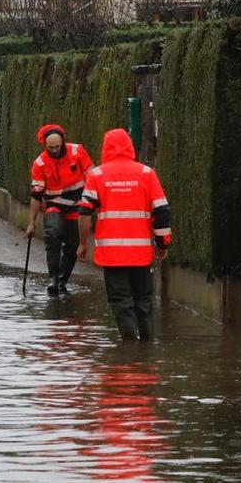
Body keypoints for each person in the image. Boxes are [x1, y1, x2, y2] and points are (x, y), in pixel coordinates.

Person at [81, 127, 172, 342]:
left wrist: (82, 244)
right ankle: (147, 346)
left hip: (111, 254)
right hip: (140, 252)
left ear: (105, 148)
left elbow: (84, 213)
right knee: (144, 300)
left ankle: (128, 348)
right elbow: (162, 211)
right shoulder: (146, 173)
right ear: (130, 146)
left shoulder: (97, 175)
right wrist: (163, 243)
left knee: (120, 300)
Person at [29, 124, 94, 296]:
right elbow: (36, 195)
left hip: (77, 204)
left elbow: (92, 175)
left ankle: (62, 281)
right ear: (45, 145)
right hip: (54, 205)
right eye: (51, 148)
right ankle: (53, 280)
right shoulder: (40, 163)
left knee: (73, 245)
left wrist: (93, 200)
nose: (55, 150)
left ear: (63, 141)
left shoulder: (77, 151)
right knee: (53, 236)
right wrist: (31, 223)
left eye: (57, 147)